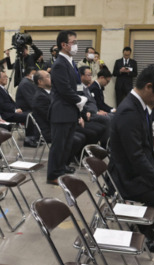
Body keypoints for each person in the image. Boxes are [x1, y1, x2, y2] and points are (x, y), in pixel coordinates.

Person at [108, 64, 154, 253]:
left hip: (138, 170)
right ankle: (142, 231)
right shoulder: (129, 111)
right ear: (148, 87)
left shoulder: (142, 106)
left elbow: (150, 146)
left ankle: (147, 228)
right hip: (126, 177)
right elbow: (135, 155)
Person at [46, 30, 87, 185]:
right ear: (63, 45)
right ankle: (52, 175)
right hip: (61, 110)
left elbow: (76, 85)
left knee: (67, 144)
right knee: (58, 145)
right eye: (73, 42)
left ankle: (62, 169)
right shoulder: (59, 64)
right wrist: (78, 100)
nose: (76, 45)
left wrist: (80, 100)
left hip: (71, 110)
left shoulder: (71, 62)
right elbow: (64, 89)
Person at [31, 70, 86, 162]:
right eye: (48, 77)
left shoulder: (52, 93)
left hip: (59, 124)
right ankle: (63, 163)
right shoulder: (39, 97)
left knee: (87, 133)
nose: (51, 78)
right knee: (78, 139)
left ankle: (75, 158)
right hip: (50, 129)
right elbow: (50, 116)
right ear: (40, 82)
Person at [0, 70, 37, 147]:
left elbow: (11, 102)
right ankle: (28, 139)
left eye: (7, 77)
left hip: (11, 112)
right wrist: (14, 110)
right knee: (28, 116)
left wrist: (17, 108)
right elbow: (2, 105)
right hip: (6, 114)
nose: (7, 78)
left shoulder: (3, 89)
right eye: (4, 77)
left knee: (31, 114)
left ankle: (34, 137)